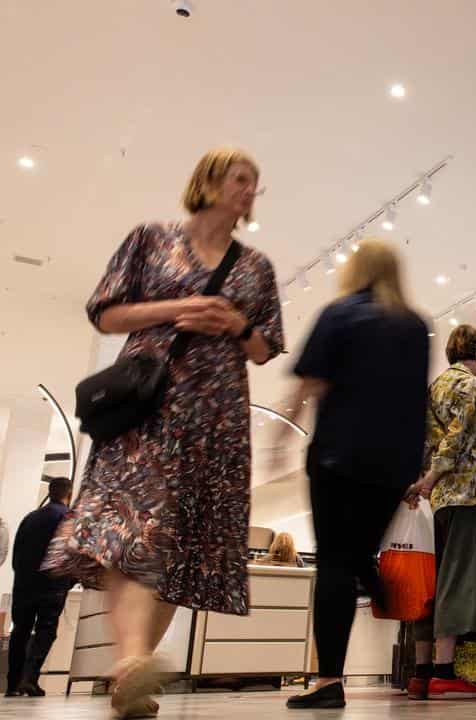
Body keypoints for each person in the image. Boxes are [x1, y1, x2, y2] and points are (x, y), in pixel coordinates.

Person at [42, 146, 283, 719]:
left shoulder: (256, 267)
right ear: (208, 181)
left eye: (255, 183)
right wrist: (179, 308)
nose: (249, 189)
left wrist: (235, 322)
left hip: (216, 419)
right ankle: (130, 662)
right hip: (149, 408)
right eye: (239, 178)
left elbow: (265, 346)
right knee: (133, 529)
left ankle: (134, 669)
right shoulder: (151, 239)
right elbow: (105, 312)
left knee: (182, 545)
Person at [278, 238, 431, 710]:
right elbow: (416, 399)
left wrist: (278, 438)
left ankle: (328, 681)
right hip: (393, 464)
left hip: (338, 457)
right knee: (357, 551)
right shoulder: (415, 327)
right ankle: (376, 580)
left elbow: (310, 383)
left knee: (335, 563)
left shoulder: (339, 314)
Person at [403, 324, 476, 701]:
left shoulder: (436, 386)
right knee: (461, 581)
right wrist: (430, 478)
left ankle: (421, 672)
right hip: (468, 494)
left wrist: (423, 483)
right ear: (475, 355)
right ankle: (445, 674)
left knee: (434, 581)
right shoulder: (469, 386)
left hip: (441, 500)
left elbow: (428, 440)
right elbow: (457, 440)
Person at [6, 477, 75, 698]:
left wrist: (21, 577)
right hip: (52, 584)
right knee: (46, 630)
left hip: (24, 584)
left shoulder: (30, 517)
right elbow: (70, 551)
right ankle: (30, 678)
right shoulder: (68, 517)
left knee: (20, 631)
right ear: (69, 494)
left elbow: (16, 554)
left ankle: (12, 684)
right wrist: (69, 580)